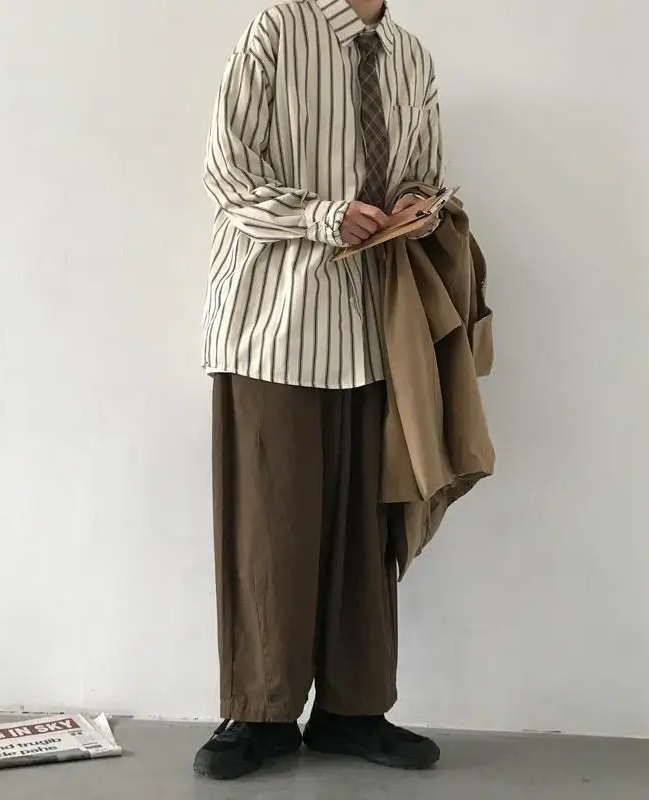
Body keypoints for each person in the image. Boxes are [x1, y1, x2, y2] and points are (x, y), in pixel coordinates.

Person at [197, 0, 447, 780]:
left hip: (373, 328)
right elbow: (228, 172)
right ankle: (260, 714)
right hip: (275, 322)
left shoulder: (411, 56)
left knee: (365, 529)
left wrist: (417, 205)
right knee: (269, 525)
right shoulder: (278, 29)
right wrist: (321, 217)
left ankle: (353, 710)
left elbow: (423, 173)